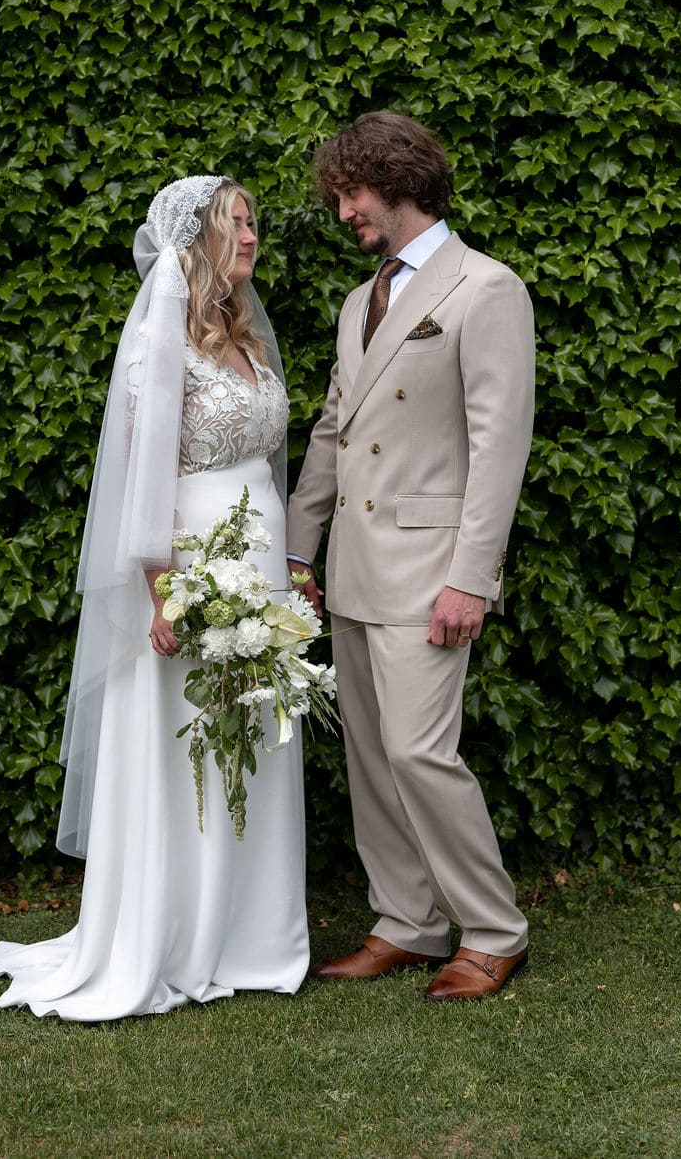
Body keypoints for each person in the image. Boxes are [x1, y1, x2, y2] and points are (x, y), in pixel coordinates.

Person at [0, 176, 308, 1018]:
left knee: (250, 739)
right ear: (199, 238)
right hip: (194, 567)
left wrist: (289, 562)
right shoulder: (160, 344)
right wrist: (165, 595)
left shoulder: (249, 340)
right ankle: (175, 931)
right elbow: (140, 480)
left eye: (253, 222)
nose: (250, 236)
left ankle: (252, 933)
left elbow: (271, 464)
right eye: (237, 223)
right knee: (187, 746)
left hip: (260, 564)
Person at [286, 112, 535, 1003]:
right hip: (353, 564)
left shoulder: (486, 288)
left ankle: (495, 929)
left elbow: (499, 443)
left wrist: (473, 574)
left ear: (397, 180)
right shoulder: (361, 300)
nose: (344, 210)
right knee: (372, 757)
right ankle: (409, 920)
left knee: (422, 751)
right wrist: (295, 548)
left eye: (350, 193)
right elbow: (332, 431)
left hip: (433, 570)